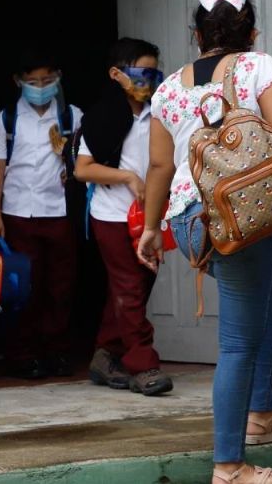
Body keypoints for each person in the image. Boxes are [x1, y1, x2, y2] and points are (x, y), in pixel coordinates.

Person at [137, 0, 272, 484]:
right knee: (236, 343)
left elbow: (159, 168)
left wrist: (150, 230)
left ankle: (262, 413)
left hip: (190, 221)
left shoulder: (169, 88)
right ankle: (230, 466)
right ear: (251, 32)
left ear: (197, 37)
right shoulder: (260, 68)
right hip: (243, 215)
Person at [74, 38, 173, 396]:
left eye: (154, 72)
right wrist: (129, 178)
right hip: (112, 216)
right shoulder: (100, 117)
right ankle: (144, 366)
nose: (148, 80)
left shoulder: (162, 112)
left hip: (151, 217)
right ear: (116, 74)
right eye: (140, 73)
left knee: (135, 288)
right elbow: (83, 170)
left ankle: (106, 354)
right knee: (130, 289)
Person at [0, 49, 83, 379]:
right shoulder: (7, 118)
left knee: (60, 286)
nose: (40, 86)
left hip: (59, 211)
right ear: (18, 82)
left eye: (46, 80)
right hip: (17, 212)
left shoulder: (72, 116)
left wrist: (73, 170)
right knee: (24, 288)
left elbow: (85, 162)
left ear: (57, 79)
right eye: (32, 81)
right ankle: (23, 353)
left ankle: (55, 350)